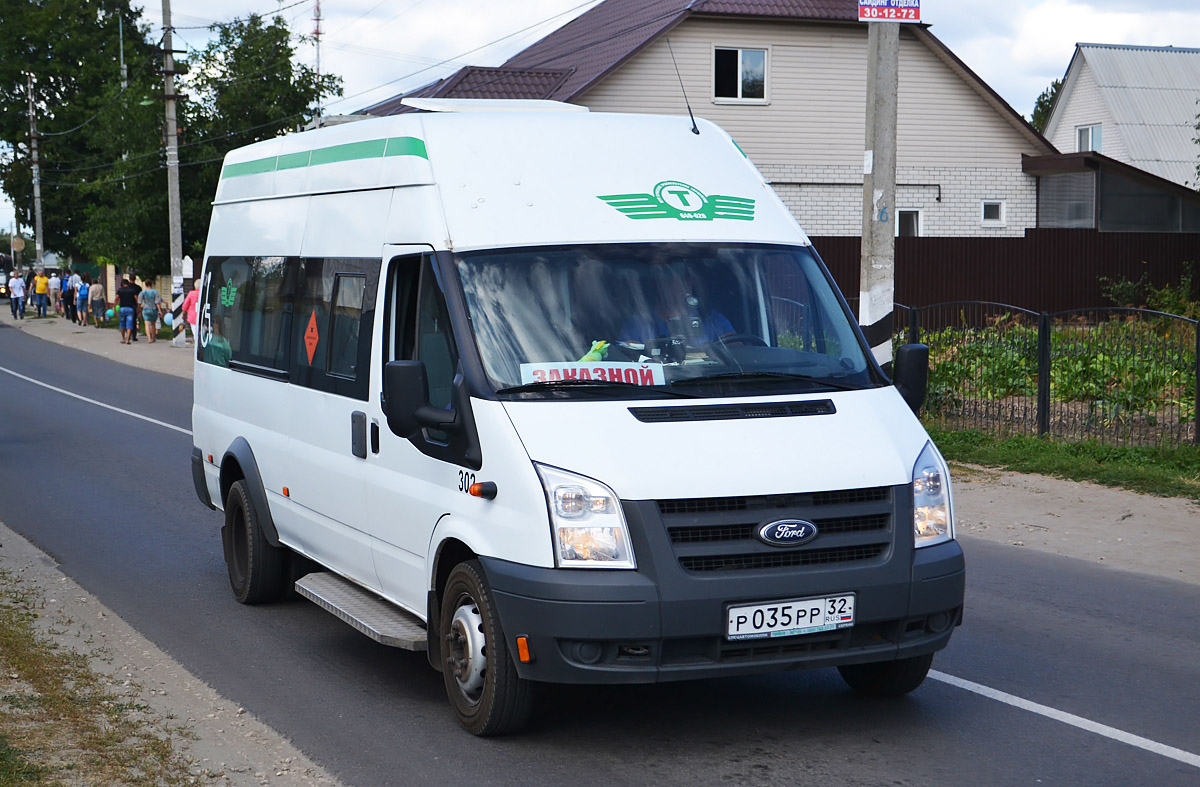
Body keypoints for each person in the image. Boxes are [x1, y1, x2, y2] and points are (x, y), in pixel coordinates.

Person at [115, 278, 139, 344]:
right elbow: (136, 299)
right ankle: (128, 339)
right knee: (129, 324)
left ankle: (123, 339)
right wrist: (138, 307)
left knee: (122, 324)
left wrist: (114, 307)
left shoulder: (120, 290)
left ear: (122, 284)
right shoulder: (132, 290)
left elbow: (116, 299)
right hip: (130, 309)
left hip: (122, 308)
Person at [139, 279, 163, 343]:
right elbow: (157, 302)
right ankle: (153, 338)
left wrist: (139, 309)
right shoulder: (155, 292)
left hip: (146, 309)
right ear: (151, 284)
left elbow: (139, 302)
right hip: (154, 310)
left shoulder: (143, 292)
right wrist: (160, 311)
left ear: (145, 285)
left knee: (147, 324)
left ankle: (149, 338)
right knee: (153, 324)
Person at [180, 278, 201, 344]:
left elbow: (185, 305)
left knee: (195, 332)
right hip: (203, 316)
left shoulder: (191, 293)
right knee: (202, 332)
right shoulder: (204, 294)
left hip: (193, 317)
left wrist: (183, 314)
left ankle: (197, 347)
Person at [128, 276, 142, 341]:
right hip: (134, 305)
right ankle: (134, 336)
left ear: (129, 278)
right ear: (135, 279)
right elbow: (139, 298)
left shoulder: (126, 287)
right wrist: (139, 307)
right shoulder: (138, 288)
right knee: (134, 320)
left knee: (128, 320)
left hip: (127, 305)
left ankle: (128, 333)